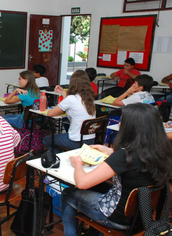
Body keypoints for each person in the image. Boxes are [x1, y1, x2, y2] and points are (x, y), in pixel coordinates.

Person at [61, 103, 172, 236]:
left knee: (68, 192)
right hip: (141, 215)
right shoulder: (160, 150)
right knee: (99, 185)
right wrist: (111, 151)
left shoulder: (123, 156)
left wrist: (78, 163)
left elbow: (82, 183)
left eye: (122, 121)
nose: (119, 124)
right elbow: (136, 160)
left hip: (116, 216)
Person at [43, 70, 96, 154]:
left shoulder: (71, 99)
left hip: (75, 142)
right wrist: (62, 92)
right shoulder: (89, 99)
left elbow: (50, 113)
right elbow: (72, 100)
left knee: (47, 140)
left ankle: (60, 157)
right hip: (90, 140)